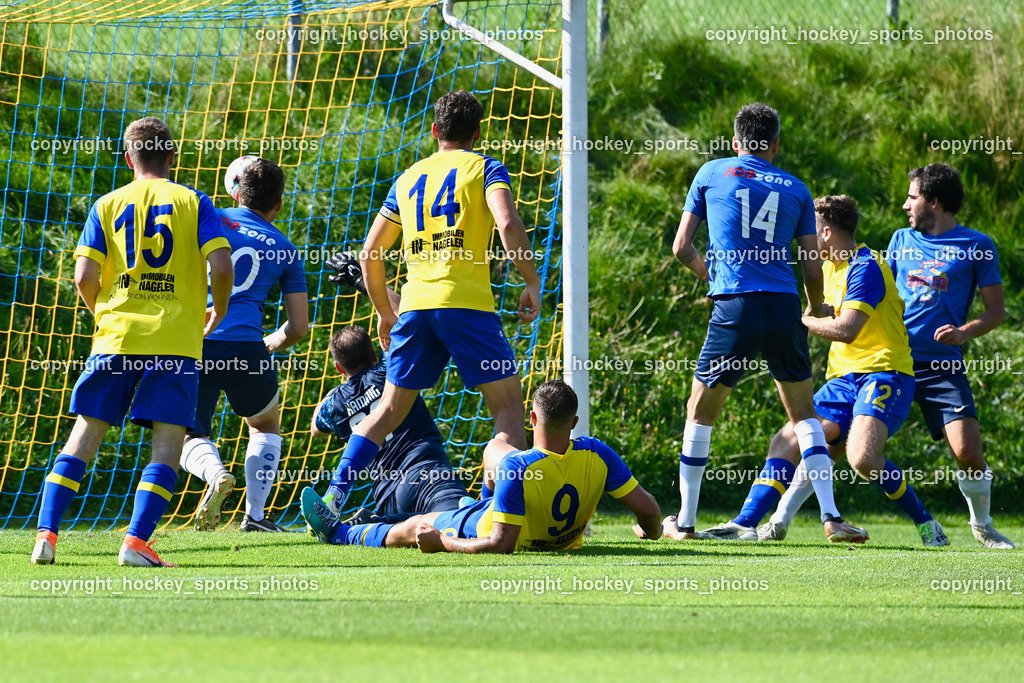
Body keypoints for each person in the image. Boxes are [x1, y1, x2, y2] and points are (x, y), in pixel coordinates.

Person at [325, 90, 542, 509]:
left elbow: (371, 252)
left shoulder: (407, 178)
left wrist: (386, 313)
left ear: (435, 130)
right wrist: (530, 280)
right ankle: (496, 513)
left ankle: (333, 497)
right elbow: (508, 221)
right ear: (478, 133)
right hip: (467, 307)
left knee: (387, 410)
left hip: (417, 306)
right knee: (509, 409)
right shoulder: (485, 168)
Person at [31, 117, 233, 566]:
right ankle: (137, 543)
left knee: (84, 436)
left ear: (129, 158)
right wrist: (218, 309)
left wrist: (103, 313)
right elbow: (221, 267)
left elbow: (84, 276)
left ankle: (46, 535)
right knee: (167, 444)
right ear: (172, 157)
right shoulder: (193, 200)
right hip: (176, 341)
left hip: (115, 337)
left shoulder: (107, 203)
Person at [709, 195, 946, 545]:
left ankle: (927, 523)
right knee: (788, 439)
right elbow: (817, 313)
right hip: (843, 379)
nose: (804, 238)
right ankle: (746, 522)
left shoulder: (866, 266)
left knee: (862, 458)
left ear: (828, 233)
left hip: (885, 373)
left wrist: (798, 320)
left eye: (810, 230)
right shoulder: (825, 269)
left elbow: (847, 329)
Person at [666, 102, 845, 540]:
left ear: (735, 142)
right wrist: (816, 308)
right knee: (805, 415)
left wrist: (715, 274)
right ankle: (832, 518)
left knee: (700, 412)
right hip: (784, 305)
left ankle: (686, 522)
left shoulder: (711, 173)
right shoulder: (797, 188)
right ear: (776, 145)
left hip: (736, 306)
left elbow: (681, 247)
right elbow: (811, 262)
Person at [300, 380, 662, 553]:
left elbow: (500, 546)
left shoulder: (518, 468)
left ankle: (339, 534)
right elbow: (650, 511)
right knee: (494, 449)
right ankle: (483, 500)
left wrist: (442, 542)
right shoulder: (598, 453)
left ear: (532, 417)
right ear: (575, 421)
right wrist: (649, 531)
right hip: (557, 537)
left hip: (483, 528)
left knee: (413, 527)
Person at [179, 158, 309, 532]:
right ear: (278, 204)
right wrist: (270, 343)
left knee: (185, 432)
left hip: (194, 340)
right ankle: (255, 516)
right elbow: (298, 327)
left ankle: (215, 472)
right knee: (265, 425)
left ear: (236, 191)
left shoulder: (206, 217)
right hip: (248, 349)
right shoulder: (286, 250)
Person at [310, 325, 469, 520]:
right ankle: (374, 524)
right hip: (427, 474)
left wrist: (337, 393)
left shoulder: (335, 405)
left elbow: (316, 429)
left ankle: (377, 522)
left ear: (338, 367)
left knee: (411, 530)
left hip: (388, 496)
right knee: (463, 519)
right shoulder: (390, 371)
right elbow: (400, 326)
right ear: (373, 354)